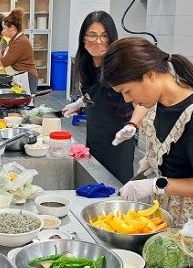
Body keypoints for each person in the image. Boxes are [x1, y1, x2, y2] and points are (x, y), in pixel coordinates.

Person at [102, 37, 193, 268]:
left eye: (127, 91)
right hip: (170, 220)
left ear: (150, 75)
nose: (127, 99)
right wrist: (156, 162)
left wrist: (157, 184)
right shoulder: (159, 103)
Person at [62, 11, 147, 183]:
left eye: (104, 35)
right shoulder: (86, 63)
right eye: (92, 35)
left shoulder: (121, 64)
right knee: (94, 176)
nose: (98, 41)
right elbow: (96, 92)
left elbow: (143, 101)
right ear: (84, 38)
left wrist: (132, 124)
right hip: (95, 131)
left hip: (120, 135)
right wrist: (80, 102)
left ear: (111, 38)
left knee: (116, 183)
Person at [0, 8, 38, 93]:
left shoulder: (21, 41)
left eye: (4, 28)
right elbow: (3, 53)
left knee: (27, 100)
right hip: (20, 76)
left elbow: (5, 61)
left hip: (27, 78)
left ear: (12, 27)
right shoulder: (14, 39)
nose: (2, 31)